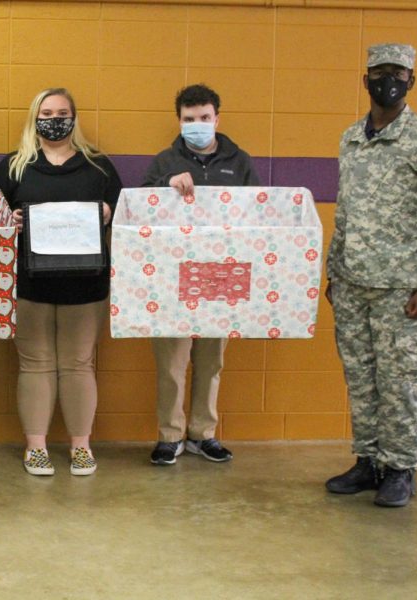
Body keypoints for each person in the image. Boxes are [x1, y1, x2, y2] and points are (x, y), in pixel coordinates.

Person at [325, 44, 417, 507]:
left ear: (412, 80)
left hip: (402, 289)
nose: (389, 79)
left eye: (399, 72)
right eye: (379, 72)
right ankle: (369, 461)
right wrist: (334, 273)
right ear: (364, 80)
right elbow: (344, 213)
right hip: (352, 285)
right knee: (361, 378)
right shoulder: (351, 138)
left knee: (400, 380)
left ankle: (401, 468)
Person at [0, 88, 122, 476]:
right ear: (35, 118)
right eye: (47, 112)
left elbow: (123, 216)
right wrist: (7, 222)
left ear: (74, 116)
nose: (55, 119)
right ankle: (36, 448)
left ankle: (80, 447)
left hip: (86, 285)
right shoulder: (15, 166)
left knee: (78, 364)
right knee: (35, 365)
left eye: (62, 112)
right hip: (28, 284)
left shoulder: (98, 166)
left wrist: (107, 212)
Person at [142, 84, 259, 466]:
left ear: (216, 119)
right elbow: (142, 208)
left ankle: (203, 434)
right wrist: (165, 186)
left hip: (223, 275)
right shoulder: (164, 161)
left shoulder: (238, 162)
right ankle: (169, 435)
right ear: (179, 121)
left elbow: (257, 211)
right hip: (173, 276)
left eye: (204, 118)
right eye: (189, 120)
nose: (197, 125)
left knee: (211, 361)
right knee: (172, 362)